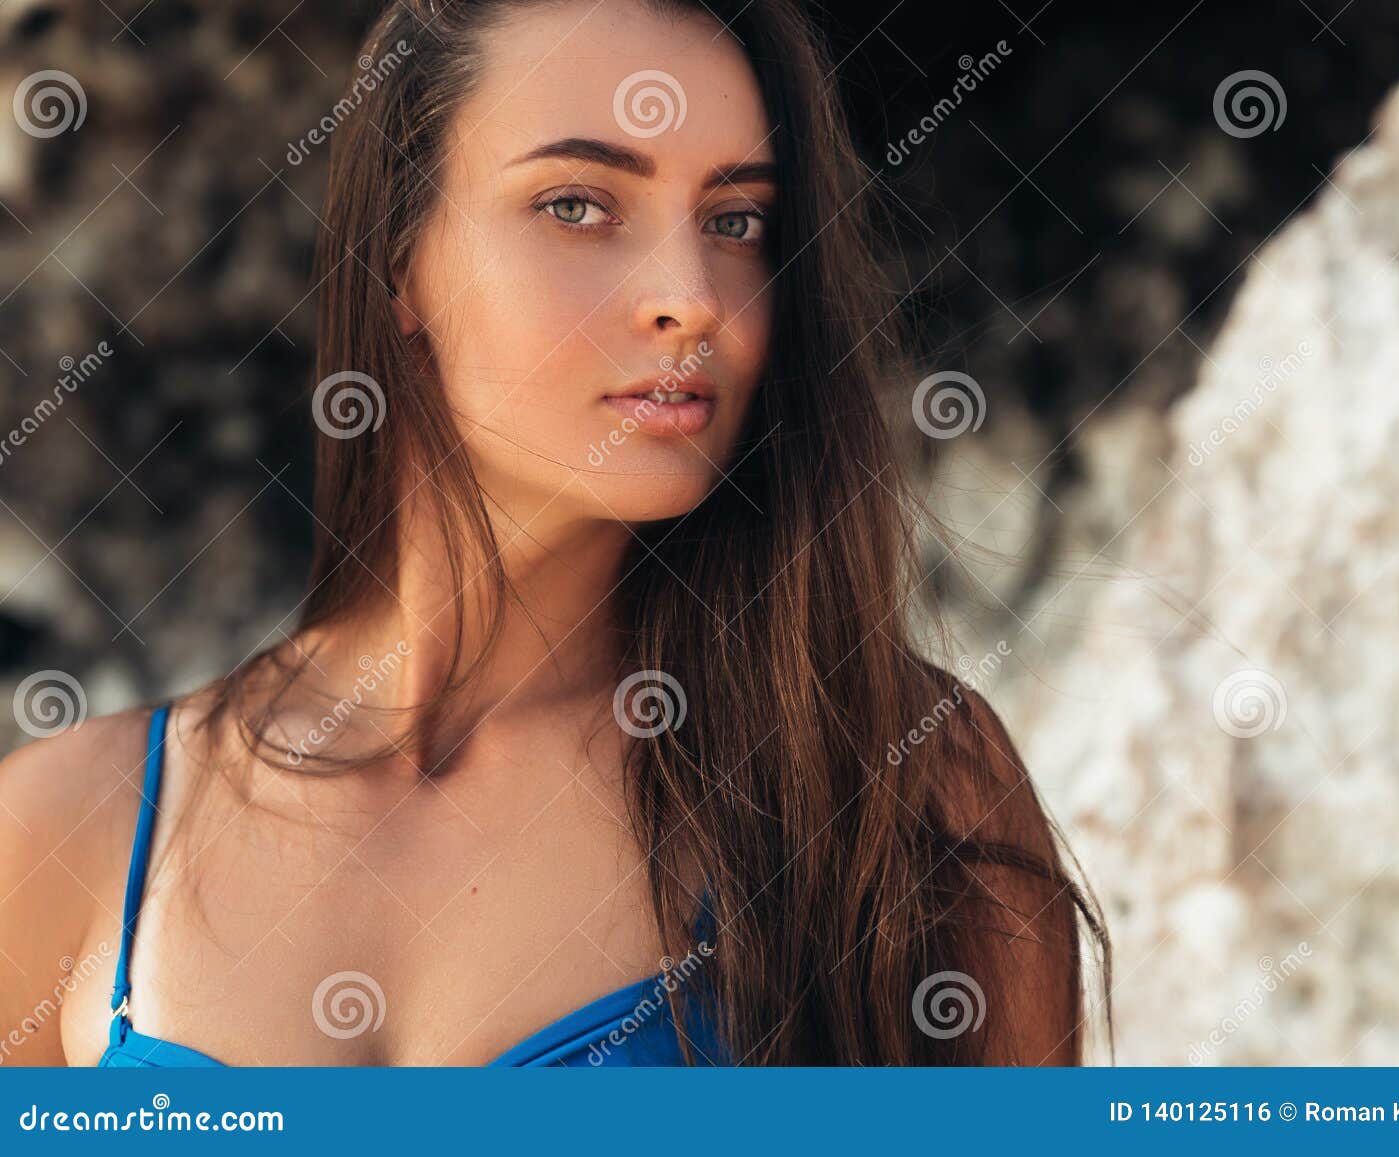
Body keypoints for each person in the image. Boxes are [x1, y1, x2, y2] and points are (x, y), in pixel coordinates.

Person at [0, 0, 1107, 1067]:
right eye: (578, 204)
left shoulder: (893, 790)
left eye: (735, 221)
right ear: (401, 261)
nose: (693, 297)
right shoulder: (66, 826)